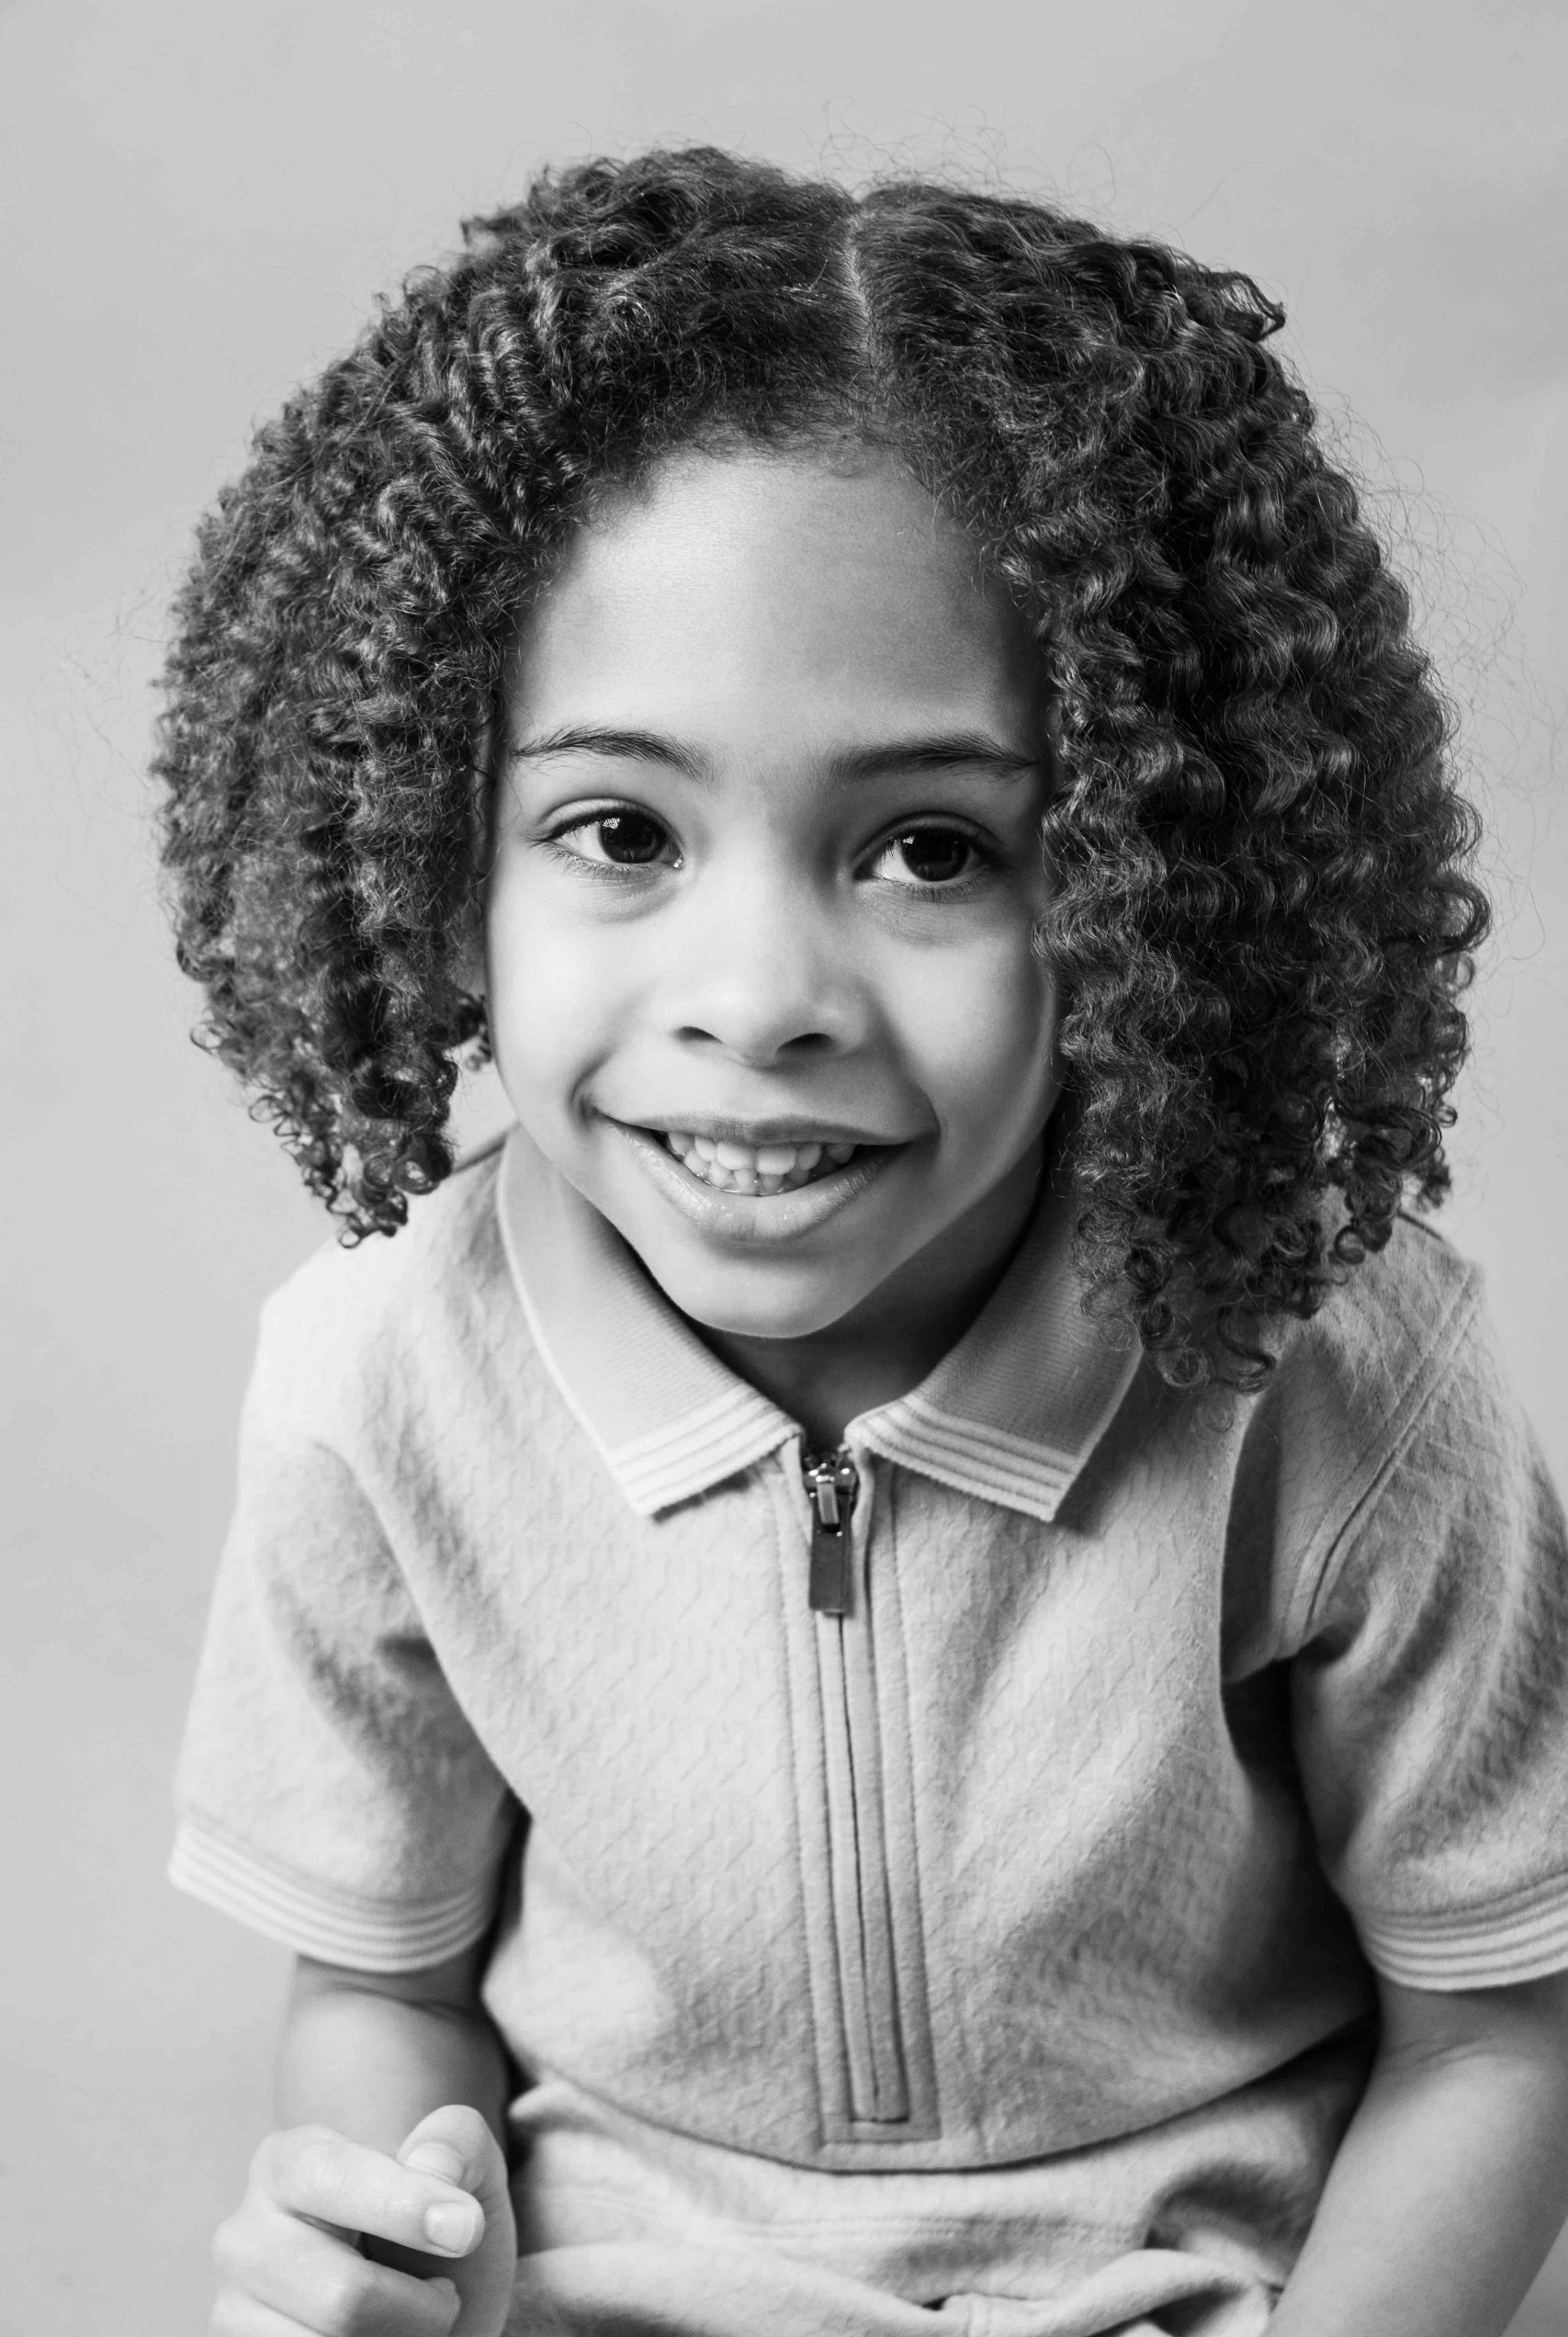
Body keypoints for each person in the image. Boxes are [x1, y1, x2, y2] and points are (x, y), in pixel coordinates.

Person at [154, 148, 1568, 2337]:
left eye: (925, 847)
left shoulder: (1332, 1360)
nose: (759, 992)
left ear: (1139, 891)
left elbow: (1499, 2028)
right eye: (616, 830)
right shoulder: (376, 1376)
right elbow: (381, 1986)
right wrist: (398, 2237)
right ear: (442, 862)